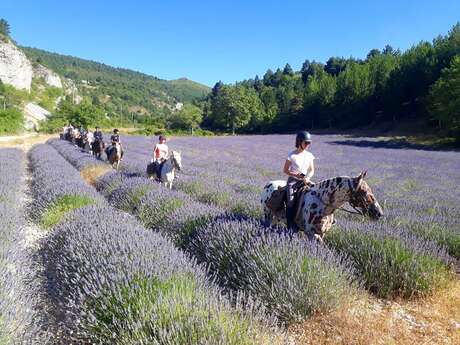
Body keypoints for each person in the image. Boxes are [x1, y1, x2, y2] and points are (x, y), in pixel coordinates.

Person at [283, 131, 315, 231]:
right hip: (293, 182)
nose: (308, 145)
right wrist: (295, 175)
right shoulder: (292, 155)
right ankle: (290, 224)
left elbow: (312, 170)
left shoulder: (310, 155)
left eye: (309, 143)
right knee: (291, 202)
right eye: (306, 143)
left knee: (317, 195)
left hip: (305, 181)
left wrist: (308, 177)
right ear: (299, 142)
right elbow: (285, 170)